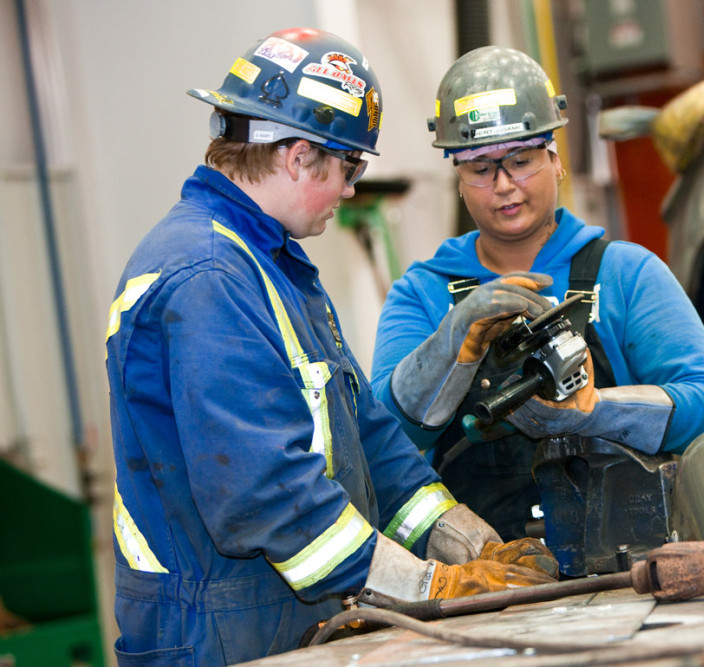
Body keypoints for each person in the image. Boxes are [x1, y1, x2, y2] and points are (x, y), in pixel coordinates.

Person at [105, 29, 557, 666]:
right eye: (350, 168)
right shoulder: (207, 278)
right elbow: (267, 498)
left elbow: (366, 440)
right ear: (296, 157)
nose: (350, 190)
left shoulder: (275, 267)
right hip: (214, 633)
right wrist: (430, 587)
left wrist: (464, 540)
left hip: (282, 618)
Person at [370, 45, 704, 541]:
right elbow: (384, 439)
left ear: (555, 159)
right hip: (487, 570)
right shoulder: (422, 293)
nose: (503, 185)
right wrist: (449, 346)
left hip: (630, 557)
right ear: (456, 176)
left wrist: (597, 410)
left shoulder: (626, 273)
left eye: (520, 160)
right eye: (480, 168)